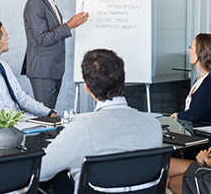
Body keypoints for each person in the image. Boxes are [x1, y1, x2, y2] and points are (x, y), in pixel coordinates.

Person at [39, 49, 162, 194]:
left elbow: (40, 172)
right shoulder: (153, 126)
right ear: (123, 80)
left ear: (87, 87)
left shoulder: (79, 130)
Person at [23, 0, 89, 109]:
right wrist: (69, 25)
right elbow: (42, 38)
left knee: (50, 114)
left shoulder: (50, 2)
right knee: (46, 117)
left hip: (52, 69)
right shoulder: (35, 4)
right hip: (42, 70)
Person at [0, 21, 57, 117]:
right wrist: (31, 120)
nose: (8, 39)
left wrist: (48, 112)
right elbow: (2, 114)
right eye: (5, 36)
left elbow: (20, 97)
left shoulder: (3, 66)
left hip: (17, 123)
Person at [171, 33, 211, 124]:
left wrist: (177, 116)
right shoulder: (203, 78)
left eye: (191, 47)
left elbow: (193, 114)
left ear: (201, 52)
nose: (189, 50)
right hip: (194, 129)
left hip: (203, 133)